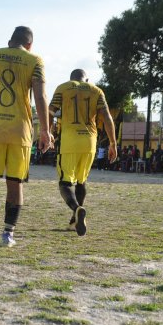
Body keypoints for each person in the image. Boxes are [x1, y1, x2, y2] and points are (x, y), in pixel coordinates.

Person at [0, 26, 53, 247]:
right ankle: (8, 234)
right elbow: (41, 95)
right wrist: (45, 130)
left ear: (9, 41)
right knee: (16, 185)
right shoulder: (35, 61)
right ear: (30, 45)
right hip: (21, 131)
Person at [49, 69, 117, 236]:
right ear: (87, 79)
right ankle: (74, 219)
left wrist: (47, 132)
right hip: (89, 141)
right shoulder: (96, 90)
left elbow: (50, 111)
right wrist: (113, 143)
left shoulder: (63, 88)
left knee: (65, 183)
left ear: (71, 79)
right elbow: (107, 117)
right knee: (81, 181)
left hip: (69, 140)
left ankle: (77, 208)